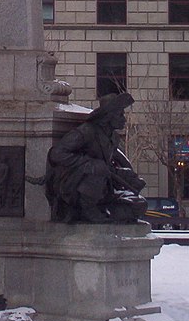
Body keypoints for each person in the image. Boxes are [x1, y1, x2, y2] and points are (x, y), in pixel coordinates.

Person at [44, 91, 147, 224]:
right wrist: (89, 164)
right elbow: (56, 154)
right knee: (97, 170)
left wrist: (127, 177)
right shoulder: (86, 131)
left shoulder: (113, 138)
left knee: (140, 204)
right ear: (109, 116)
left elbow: (109, 168)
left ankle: (104, 213)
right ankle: (87, 209)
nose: (124, 119)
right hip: (74, 187)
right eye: (120, 115)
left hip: (104, 190)